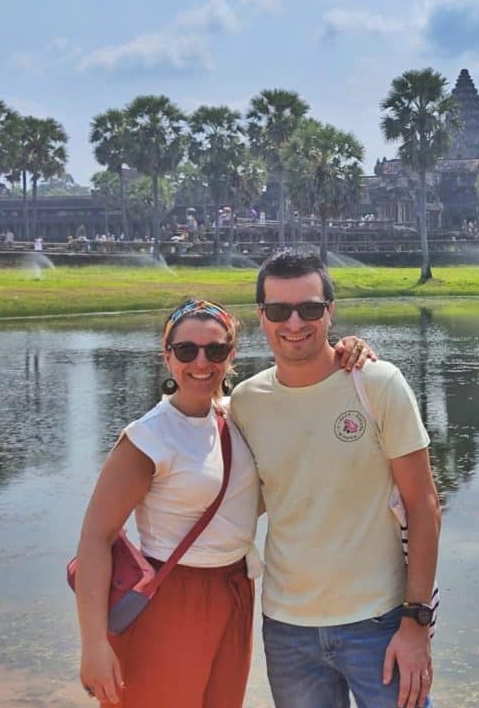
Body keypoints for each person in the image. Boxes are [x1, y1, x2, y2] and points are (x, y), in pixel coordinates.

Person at [75, 298, 374, 707]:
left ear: (231, 354)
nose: (202, 362)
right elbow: (96, 536)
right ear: (167, 357)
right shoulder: (148, 438)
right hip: (169, 597)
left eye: (215, 349)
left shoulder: (240, 416)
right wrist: (93, 645)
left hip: (234, 591)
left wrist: (350, 351)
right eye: (186, 350)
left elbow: (306, 403)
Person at [230, 251, 441, 708]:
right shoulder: (246, 402)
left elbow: (423, 504)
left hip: (380, 622)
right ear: (261, 316)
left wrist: (416, 622)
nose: (294, 322)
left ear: (330, 310)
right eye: (278, 310)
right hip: (288, 629)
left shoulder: (378, 384)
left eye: (309, 308)